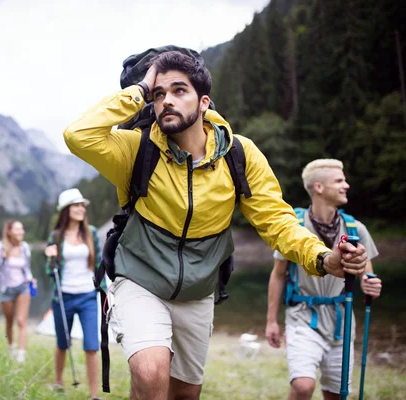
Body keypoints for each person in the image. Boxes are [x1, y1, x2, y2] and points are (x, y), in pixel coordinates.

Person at [62, 50, 368, 400]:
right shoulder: (136, 150)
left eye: (179, 91)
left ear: (204, 101)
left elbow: (277, 221)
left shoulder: (240, 154)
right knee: (149, 375)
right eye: (159, 94)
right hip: (139, 279)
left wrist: (323, 257)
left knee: (186, 393)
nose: (167, 101)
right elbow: (78, 135)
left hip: (198, 291)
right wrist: (141, 89)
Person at [265, 159, 382, 400]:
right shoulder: (294, 228)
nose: (346, 185)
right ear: (318, 187)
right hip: (303, 316)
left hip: (342, 319)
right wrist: (271, 321)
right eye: (339, 180)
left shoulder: (355, 229)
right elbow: (277, 275)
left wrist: (370, 284)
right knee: (303, 386)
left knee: (336, 393)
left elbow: (367, 273)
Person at [44, 188, 104, 399]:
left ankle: (94, 394)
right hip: (63, 297)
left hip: (88, 296)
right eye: (76, 205)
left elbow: (99, 264)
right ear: (66, 210)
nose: (81, 209)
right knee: (62, 343)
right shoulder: (56, 236)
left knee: (91, 346)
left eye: (82, 206)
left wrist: (105, 287)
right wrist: (50, 258)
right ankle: (58, 383)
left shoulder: (92, 233)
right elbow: (50, 272)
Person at [0, 220, 35, 363]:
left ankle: (21, 355)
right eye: (17, 229)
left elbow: (27, 267)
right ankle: (11, 348)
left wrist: (30, 278)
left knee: (21, 320)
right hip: (6, 288)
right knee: (9, 321)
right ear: (9, 232)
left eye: (22, 229)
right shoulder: (0, 247)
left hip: (23, 287)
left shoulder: (25, 247)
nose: (21, 232)